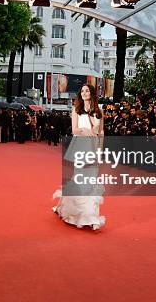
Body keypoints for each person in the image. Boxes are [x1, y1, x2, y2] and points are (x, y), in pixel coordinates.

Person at [52, 84, 105, 231]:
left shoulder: (100, 111)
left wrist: (100, 151)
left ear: (92, 93)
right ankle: (76, 214)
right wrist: (84, 129)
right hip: (81, 146)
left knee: (92, 181)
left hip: (94, 148)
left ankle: (92, 216)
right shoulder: (76, 110)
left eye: (87, 90)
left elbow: (101, 133)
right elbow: (74, 129)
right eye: (82, 90)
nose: (84, 92)